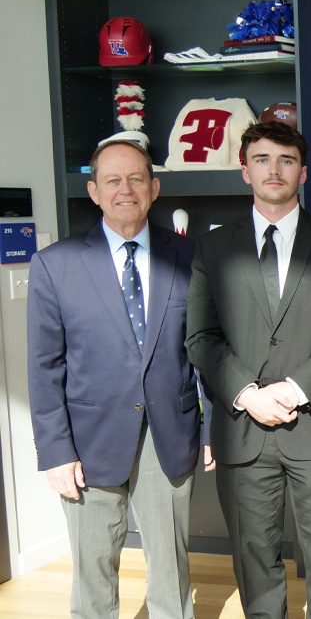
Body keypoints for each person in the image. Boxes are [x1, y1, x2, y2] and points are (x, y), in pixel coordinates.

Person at [186, 122, 311, 619]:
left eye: (286, 160)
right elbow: (201, 337)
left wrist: (293, 389)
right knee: (254, 561)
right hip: (242, 429)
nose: (274, 169)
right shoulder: (213, 246)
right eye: (262, 159)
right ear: (245, 170)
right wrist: (247, 392)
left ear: (303, 173)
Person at [28, 139, 209, 619]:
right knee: (93, 573)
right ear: (93, 191)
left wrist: (212, 429)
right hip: (88, 443)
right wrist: (55, 451)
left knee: (171, 570)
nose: (124, 189)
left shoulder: (191, 257)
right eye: (112, 180)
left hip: (170, 434)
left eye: (135, 179)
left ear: (154, 188)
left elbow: (205, 352)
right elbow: (45, 367)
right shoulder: (55, 264)